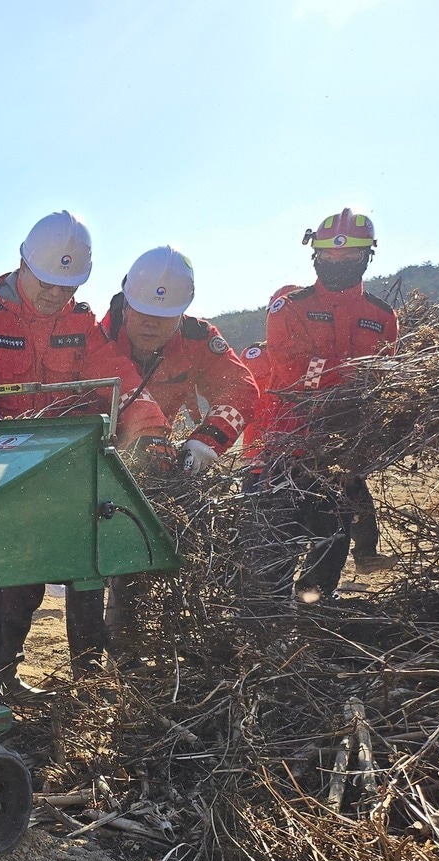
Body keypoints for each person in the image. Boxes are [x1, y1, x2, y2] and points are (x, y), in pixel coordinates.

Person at [0, 211, 168, 699]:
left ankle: (11, 674)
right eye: (47, 283)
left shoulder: (81, 323)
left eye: (66, 287)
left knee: (31, 582)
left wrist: (149, 429)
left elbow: (118, 378)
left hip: (57, 475)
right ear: (23, 264)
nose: (55, 295)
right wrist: (15, 448)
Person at [98, 247, 261, 662]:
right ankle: (106, 658)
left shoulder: (198, 339)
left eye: (165, 317)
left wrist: (206, 441)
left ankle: (167, 647)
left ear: (184, 313)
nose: (151, 324)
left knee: (173, 549)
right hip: (98, 456)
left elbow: (242, 389)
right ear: (125, 300)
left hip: (161, 457)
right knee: (108, 559)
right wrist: (140, 436)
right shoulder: (93, 336)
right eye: (143, 313)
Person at [241, 208, 400, 603]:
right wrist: (349, 382)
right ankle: (265, 627)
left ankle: (310, 621)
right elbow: (294, 373)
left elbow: (380, 382)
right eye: (330, 255)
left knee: (330, 548)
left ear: (368, 256)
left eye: (349, 257)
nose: (339, 262)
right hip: (281, 451)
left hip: (339, 455)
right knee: (269, 556)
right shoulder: (289, 305)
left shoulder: (382, 316)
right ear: (315, 254)